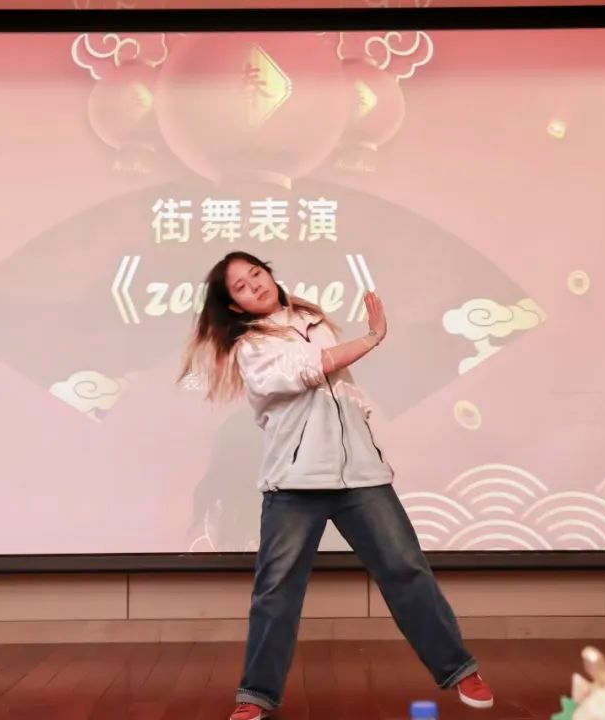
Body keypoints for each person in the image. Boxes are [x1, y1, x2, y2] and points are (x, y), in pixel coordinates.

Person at [180, 251, 494, 720]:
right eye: (241, 287)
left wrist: (360, 426)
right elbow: (309, 371)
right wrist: (373, 337)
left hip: (361, 476)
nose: (255, 285)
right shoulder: (251, 347)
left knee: (407, 570)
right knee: (277, 591)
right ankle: (255, 696)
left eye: (256, 274)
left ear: (270, 274)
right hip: (295, 483)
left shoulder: (314, 321)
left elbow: (340, 387)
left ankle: (459, 670)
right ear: (235, 306)